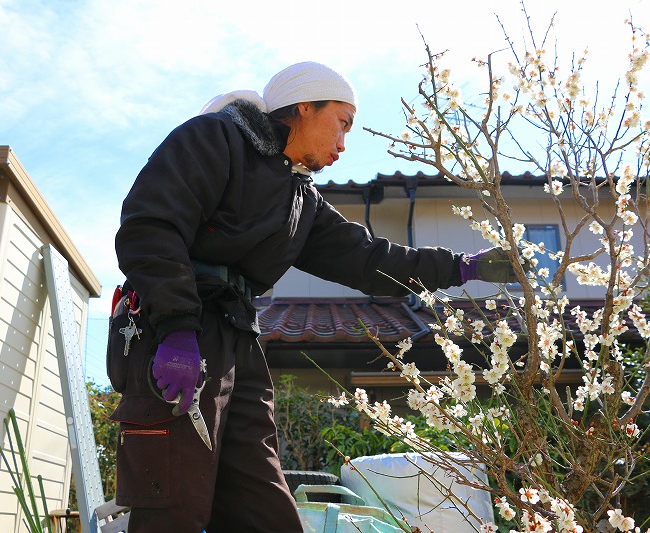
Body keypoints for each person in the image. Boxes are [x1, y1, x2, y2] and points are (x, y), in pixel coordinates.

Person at [109, 61, 519, 532]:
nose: (344, 144)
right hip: (176, 332)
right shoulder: (216, 139)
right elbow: (150, 226)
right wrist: (177, 328)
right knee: (173, 506)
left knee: (263, 509)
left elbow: (370, 259)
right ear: (303, 106)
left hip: (239, 337)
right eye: (342, 124)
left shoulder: (300, 199)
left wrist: (464, 268)